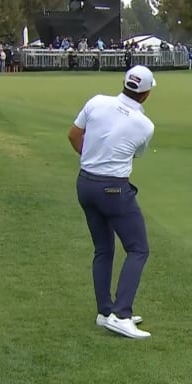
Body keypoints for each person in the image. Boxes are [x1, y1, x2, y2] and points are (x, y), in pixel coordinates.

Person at [68, 65, 157, 339]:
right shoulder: (145, 125)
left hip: (85, 183)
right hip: (114, 191)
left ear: (124, 83)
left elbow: (73, 135)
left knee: (103, 248)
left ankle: (105, 312)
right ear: (146, 94)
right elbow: (136, 154)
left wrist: (92, 156)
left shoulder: (97, 101)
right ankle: (121, 314)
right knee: (138, 249)